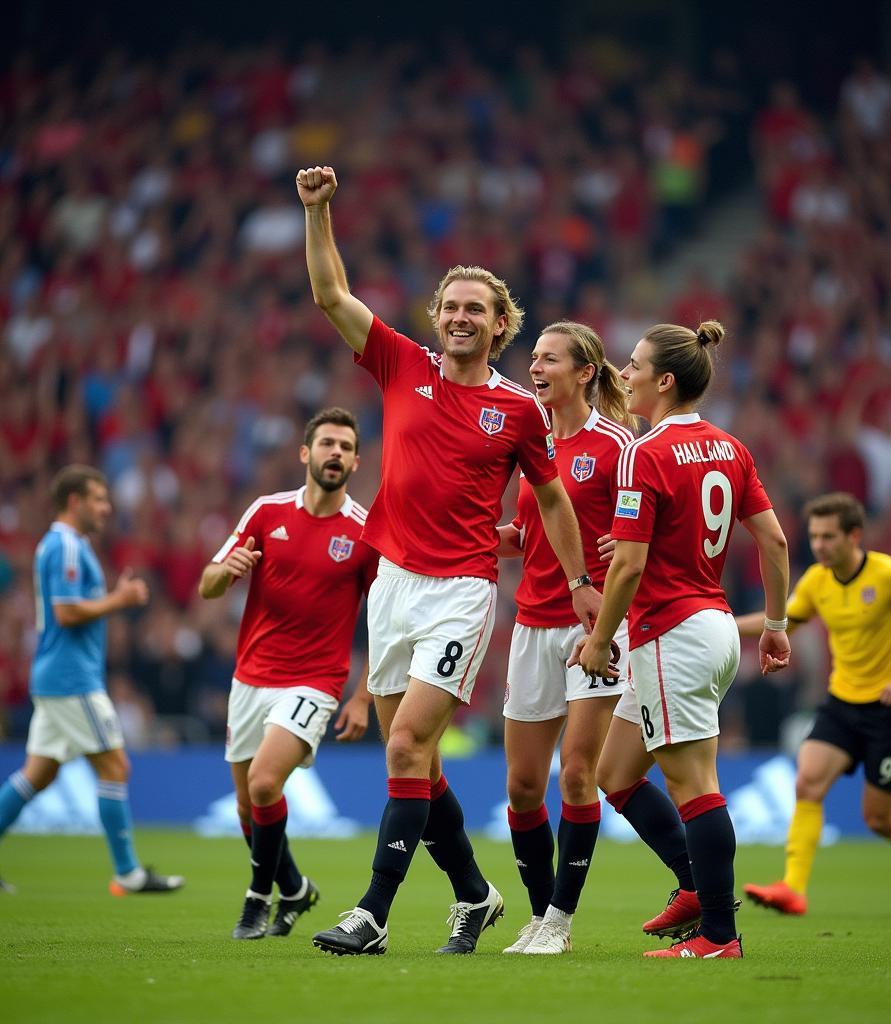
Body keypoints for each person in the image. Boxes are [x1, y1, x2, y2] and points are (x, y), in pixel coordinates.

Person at [295, 165, 601, 957]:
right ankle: (475, 894)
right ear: (435, 318)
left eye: (479, 310)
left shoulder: (519, 409)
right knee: (418, 769)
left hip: (461, 591)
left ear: (502, 326)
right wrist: (319, 211)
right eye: (453, 307)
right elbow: (332, 296)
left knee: (404, 748)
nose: (463, 318)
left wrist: (577, 582)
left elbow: (554, 500)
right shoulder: (401, 364)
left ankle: (372, 914)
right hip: (391, 585)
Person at [571, 320, 792, 960]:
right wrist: (773, 627)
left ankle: (720, 936)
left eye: (635, 365)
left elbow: (631, 566)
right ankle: (697, 885)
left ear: (664, 381)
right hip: (712, 626)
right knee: (614, 773)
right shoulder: (729, 448)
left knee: (694, 783)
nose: (624, 372)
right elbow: (774, 541)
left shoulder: (646, 452)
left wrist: (597, 640)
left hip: (669, 631)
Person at [199, 407, 377, 940]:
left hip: (314, 682)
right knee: (248, 808)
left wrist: (362, 696)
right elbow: (208, 583)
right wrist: (223, 573)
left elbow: (386, 626)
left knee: (264, 781)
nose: (336, 454)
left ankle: (257, 899)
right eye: (327, 444)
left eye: (346, 447)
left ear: (355, 460)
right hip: (250, 678)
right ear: (306, 453)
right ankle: (296, 887)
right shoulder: (265, 511)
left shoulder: (365, 531)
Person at [741, 492, 891, 918]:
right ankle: (793, 888)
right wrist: (721, 625)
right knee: (808, 783)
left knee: (879, 819)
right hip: (842, 703)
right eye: (815, 537)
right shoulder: (817, 582)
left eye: (828, 537)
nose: (819, 546)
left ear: (854, 535)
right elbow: (782, 619)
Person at [495, 321, 634, 955]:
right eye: (533, 358)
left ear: (584, 373)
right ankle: (538, 914)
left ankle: (561, 919)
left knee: (577, 771)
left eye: (549, 359)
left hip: (594, 626)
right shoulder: (530, 439)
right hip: (531, 622)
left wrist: (626, 557)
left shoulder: (617, 445)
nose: (535, 367)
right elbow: (530, 533)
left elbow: (649, 531)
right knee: (523, 787)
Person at [0, 465, 183, 895]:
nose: (107, 507)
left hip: (57, 675)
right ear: (75, 501)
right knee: (115, 765)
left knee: (37, 774)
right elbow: (66, 612)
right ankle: (128, 872)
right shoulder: (64, 545)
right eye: (99, 499)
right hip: (71, 679)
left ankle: (128, 871)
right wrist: (118, 599)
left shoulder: (67, 545)